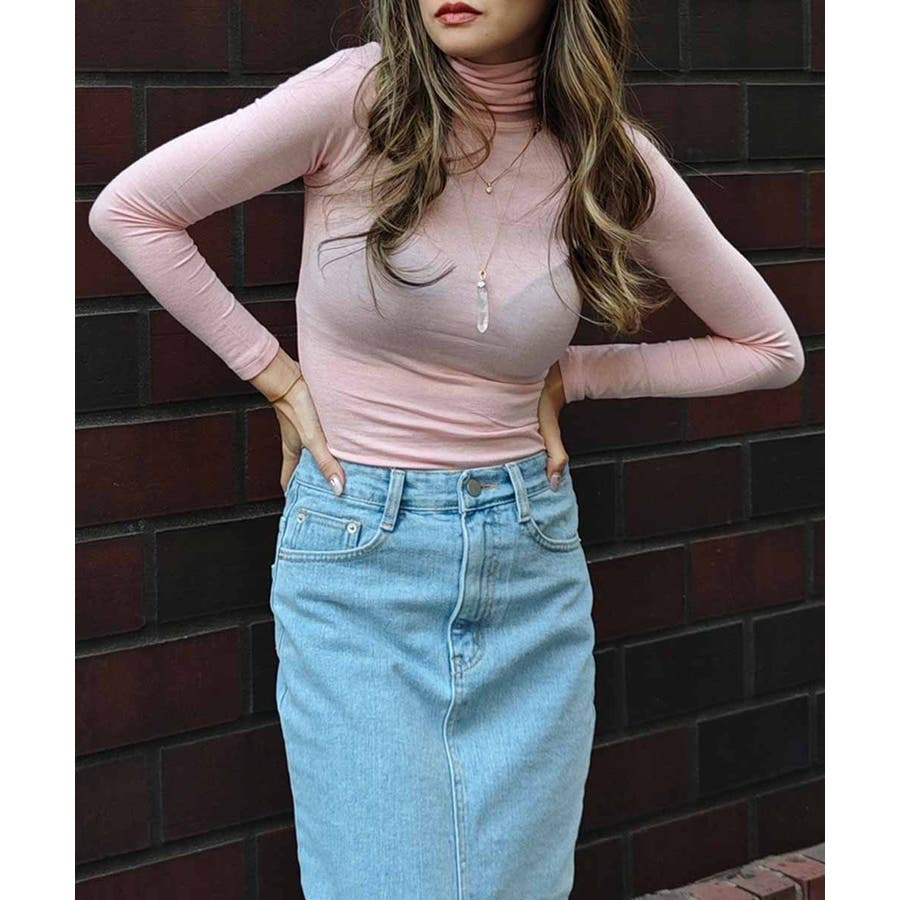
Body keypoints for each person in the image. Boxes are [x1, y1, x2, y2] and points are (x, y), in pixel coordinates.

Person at [87, 0, 804, 897]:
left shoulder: (603, 153)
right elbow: (133, 210)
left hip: (530, 557)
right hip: (361, 558)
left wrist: (576, 375)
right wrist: (275, 376)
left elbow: (770, 349)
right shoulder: (360, 98)